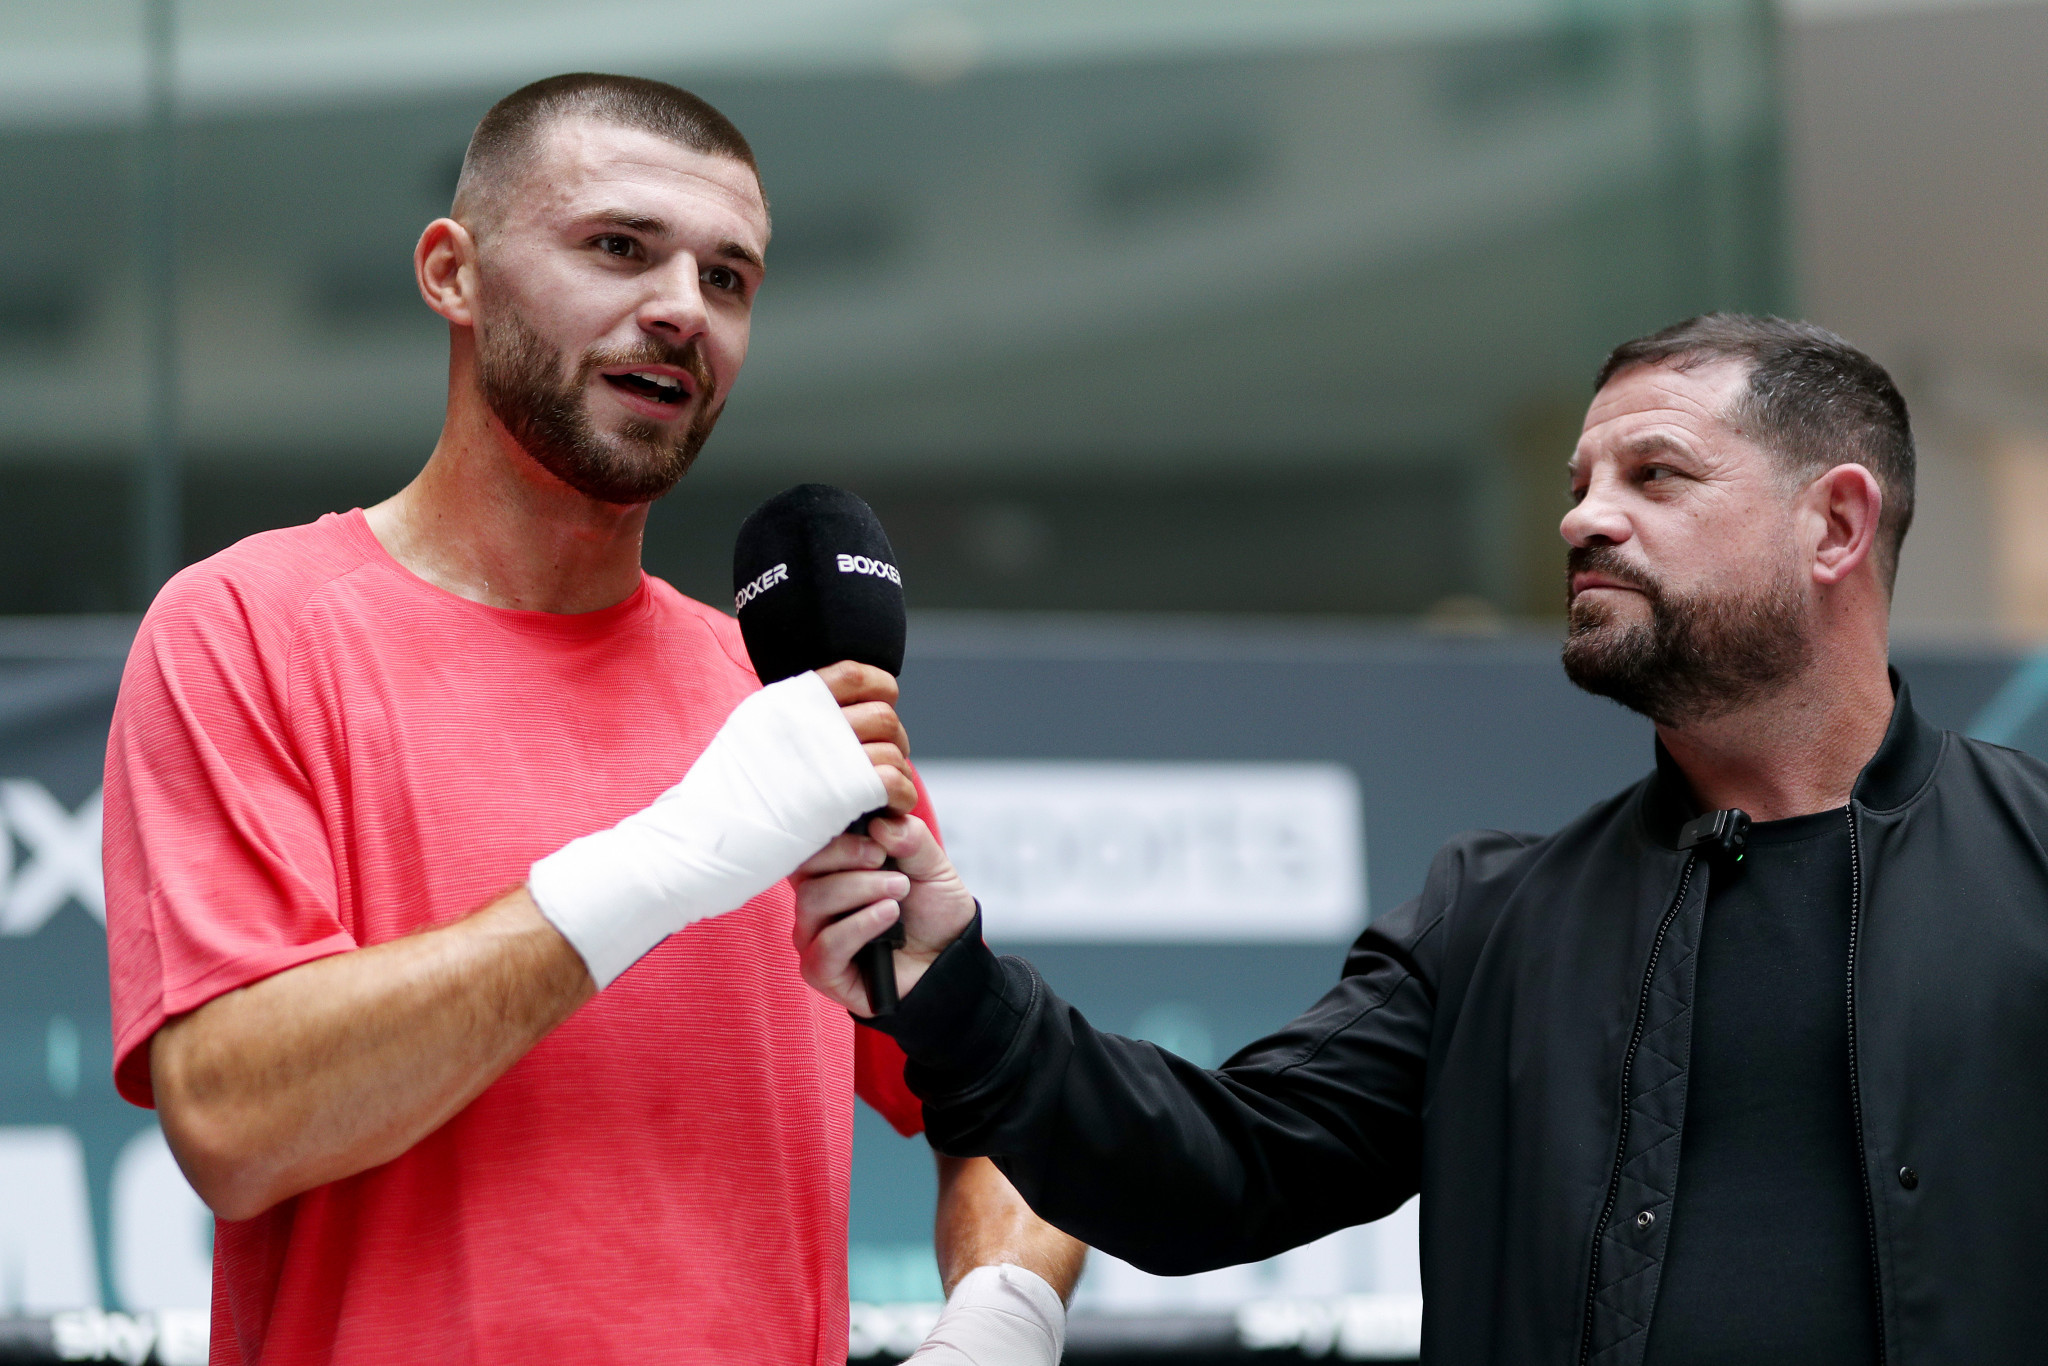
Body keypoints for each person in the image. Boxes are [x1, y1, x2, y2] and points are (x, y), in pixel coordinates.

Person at [794, 314, 2048, 1365]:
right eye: (1575, 487)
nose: (1581, 522)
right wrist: (951, 986)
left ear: (1833, 526)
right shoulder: (1491, 918)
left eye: (1651, 476)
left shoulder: (2028, 864)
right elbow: (1216, 1168)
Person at [102, 73, 1080, 1366]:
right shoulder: (247, 627)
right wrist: (663, 862)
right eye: (620, 248)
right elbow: (232, 1118)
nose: (683, 308)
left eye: (729, 279)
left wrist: (1005, 1319)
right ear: (453, 273)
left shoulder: (783, 701)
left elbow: (1008, 1104)